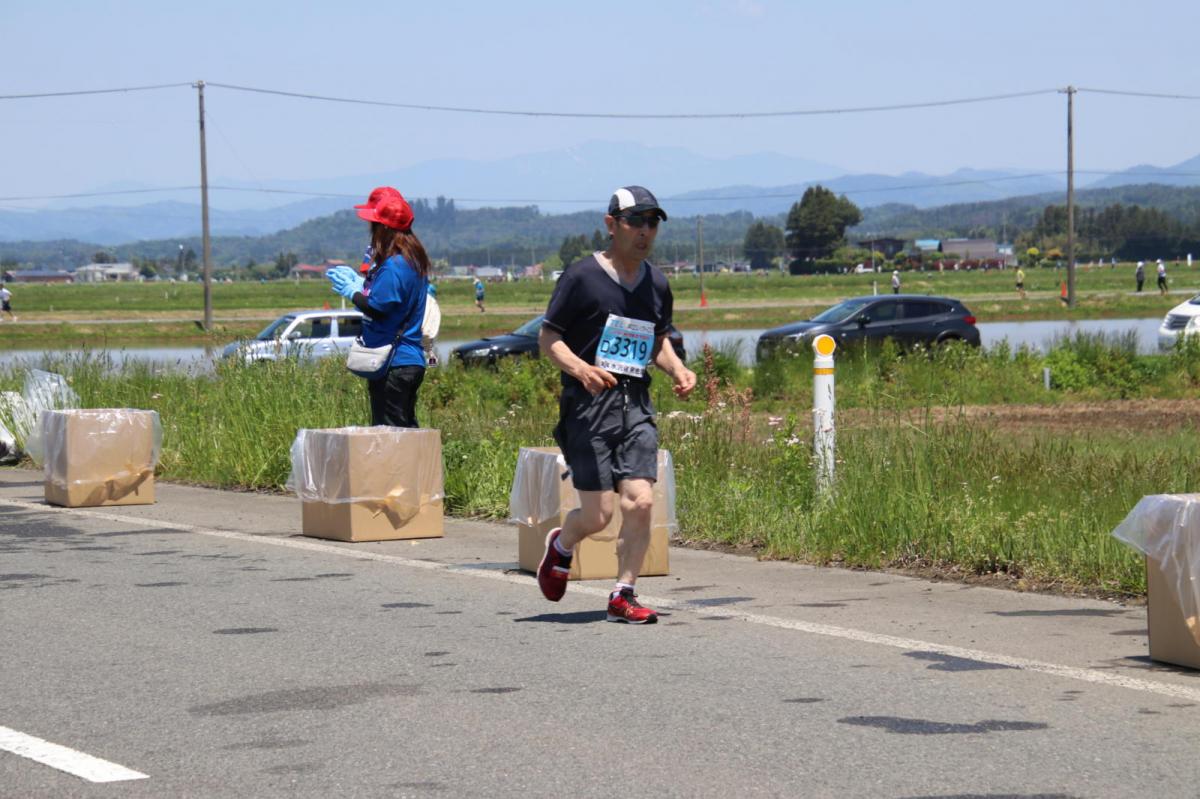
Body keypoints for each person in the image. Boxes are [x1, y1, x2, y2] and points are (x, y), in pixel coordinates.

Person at [535, 185, 697, 624]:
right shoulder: (581, 277)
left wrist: (678, 369)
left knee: (640, 502)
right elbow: (549, 338)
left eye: (652, 223)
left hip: (636, 404)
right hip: (588, 406)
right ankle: (561, 546)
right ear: (612, 224)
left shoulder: (657, 283)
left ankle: (623, 594)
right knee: (599, 515)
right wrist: (581, 370)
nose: (645, 231)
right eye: (635, 221)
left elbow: (658, 341)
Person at [327, 189, 429, 427]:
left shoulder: (394, 265)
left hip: (394, 361)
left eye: (373, 225)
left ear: (384, 228)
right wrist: (362, 284)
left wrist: (352, 292)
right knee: (404, 430)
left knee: (390, 434)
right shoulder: (412, 260)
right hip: (408, 360)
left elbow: (378, 308)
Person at [421, 283, 442, 366]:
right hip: (430, 329)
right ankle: (432, 365)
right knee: (429, 349)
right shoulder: (433, 303)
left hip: (425, 329)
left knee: (426, 349)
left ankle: (431, 365)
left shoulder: (424, 293)